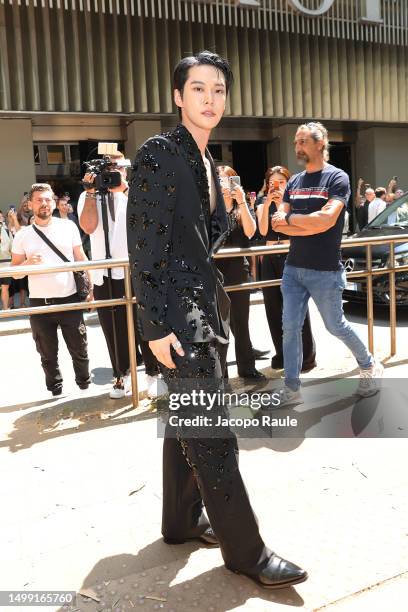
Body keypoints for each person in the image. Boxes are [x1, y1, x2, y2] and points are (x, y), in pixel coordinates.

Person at [127, 50, 307, 589]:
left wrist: (226, 212)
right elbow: (144, 247)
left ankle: (180, 522)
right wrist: (155, 326)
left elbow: (198, 245)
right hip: (180, 318)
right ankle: (246, 552)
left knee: (188, 418)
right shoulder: (160, 152)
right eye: (199, 89)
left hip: (204, 308)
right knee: (212, 432)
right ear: (178, 96)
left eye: (218, 90)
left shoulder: (205, 160)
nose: (210, 98)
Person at [271, 122, 383, 405]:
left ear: (320, 144)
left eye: (303, 141)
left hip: (325, 270)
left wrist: (295, 222)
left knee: (336, 326)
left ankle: (369, 364)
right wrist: (307, 224)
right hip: (293, 269)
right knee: (290, 328)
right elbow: (278, 224)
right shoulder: (294, 182)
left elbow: (326, 220)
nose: (297, 147)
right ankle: (292, 387)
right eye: (296, 142)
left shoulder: (337, 178)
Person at [78, 152, 161, 399]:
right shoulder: (88, 195)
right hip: (104, 273)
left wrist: (124, 191)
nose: (114, 173)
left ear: (126, 169)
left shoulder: (137, 191)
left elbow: (150, 223)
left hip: (136, 268)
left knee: (144, 323)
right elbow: (88, 227)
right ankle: (121, 375)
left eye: (118, 167)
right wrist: (92, 192)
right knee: (112, 327)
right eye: (109, 169)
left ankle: (153, 374)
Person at [11, 183, 91, 396]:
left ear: (54, 203)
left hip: (69, 299)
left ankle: (84, 385)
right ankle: (55, 390)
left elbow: (81, 258)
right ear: (30, 204)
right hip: (40, 304)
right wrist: (27, 264)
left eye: (48, 199)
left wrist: (90, 288)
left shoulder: (68, 227)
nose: (44, 204)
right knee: (47, 354)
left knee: (79, 349)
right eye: (39, 200)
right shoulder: (23, 235)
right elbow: (15, 273)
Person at [257, 165, 316, 371]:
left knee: (297, 307)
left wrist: (285, 202)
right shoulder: (262, 205)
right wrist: (266, 205)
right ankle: (282, 354)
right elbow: (263, 230)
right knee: (273, 308)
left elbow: (299, 230)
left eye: (281, 182)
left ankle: (307, 356)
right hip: (270, 258)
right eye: (273, 182)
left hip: (292, 256)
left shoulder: (295, 203)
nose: (277, 186)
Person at [216, 165, 267, 379]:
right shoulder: (209, 208)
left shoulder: (240, 209)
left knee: (241, 322)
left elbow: (251, 231)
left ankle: (247, 368)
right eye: (218, 180)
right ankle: (221, 374)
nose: (223, 184)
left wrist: (242, 201)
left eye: (227, 179)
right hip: (216, 272)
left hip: (238, 269)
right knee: (220, 327)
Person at [0, 213, 13, 310]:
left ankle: (5, 309)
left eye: (1, 216)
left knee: (5, 287)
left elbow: (12, 247)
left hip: (6, 263)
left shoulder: (6, 230)